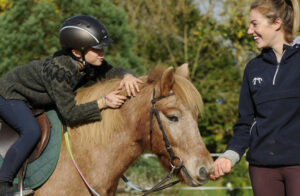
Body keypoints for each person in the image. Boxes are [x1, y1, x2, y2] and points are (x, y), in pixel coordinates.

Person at [0, 15, 143, 196]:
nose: (102, 54)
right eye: (97, 50)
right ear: (77, 52)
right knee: (31, 131)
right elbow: (70, 114)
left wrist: (128, 76)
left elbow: (112, 71)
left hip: (34, 97)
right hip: (10, 95)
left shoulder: (88, 63)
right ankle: (3, 183)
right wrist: (103, 102)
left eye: (103, 49)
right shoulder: (61, 71)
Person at [210, 0, 300, 195]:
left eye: (255, 24)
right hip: (262, 168)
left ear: (276, 23)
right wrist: (229, 156)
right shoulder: (253, 68)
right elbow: (245, 123)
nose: (250, 31)